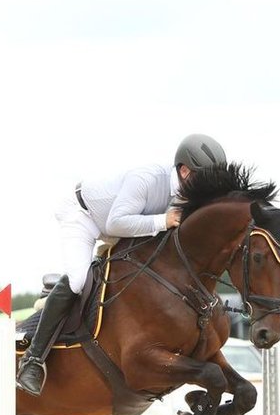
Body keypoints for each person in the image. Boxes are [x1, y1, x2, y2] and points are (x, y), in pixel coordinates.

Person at [15, 133, 228, 396]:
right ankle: (33, 360)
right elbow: (116, 223)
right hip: (84, 215)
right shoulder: (147, 179)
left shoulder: (187, 193)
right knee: (79, 280)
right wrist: (163, 221)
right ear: (185, 171)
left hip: (125, 224)